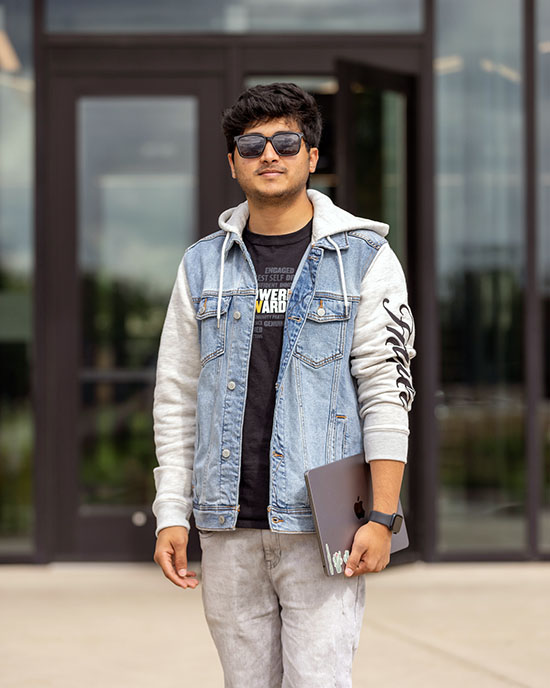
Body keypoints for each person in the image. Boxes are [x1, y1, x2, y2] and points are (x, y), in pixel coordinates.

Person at [152, 82, 416, 687]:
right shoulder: (200, 265)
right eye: (251, 145)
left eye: (285, 141)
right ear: (232, 162)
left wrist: (381, 515)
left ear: (312, 156)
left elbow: (387, 390)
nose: (268, 155)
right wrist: (172, 511)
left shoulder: (366, 259)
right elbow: (177, 397)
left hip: (323, 525)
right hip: (228, 527)